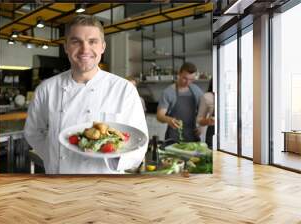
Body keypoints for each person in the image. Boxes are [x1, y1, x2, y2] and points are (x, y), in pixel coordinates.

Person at [24, 15, 148, 174]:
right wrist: (54, 157)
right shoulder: (47, 89)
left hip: (105, 188)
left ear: (103, 47)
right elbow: (33, 132)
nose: (84, 49)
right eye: (76, 41)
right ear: (66, 47)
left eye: (92, 41)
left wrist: (111, 153)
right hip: (60, 184)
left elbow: (140, 143)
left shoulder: (124, 89)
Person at [156, 62, 204, 143]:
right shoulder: (168, 92)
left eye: (191, 79)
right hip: (173, 138)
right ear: (179, 74)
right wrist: (169, 119)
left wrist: (202, 126)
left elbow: (204, 110)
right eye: (185, 78)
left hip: (193, 137)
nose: (187, 82)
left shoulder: (196, 90)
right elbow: (159, 116)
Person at [197, 80, 215, 148]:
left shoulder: (232, 94)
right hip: (212, 135)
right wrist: (208, 121)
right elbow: (199, 120)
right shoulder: (207, 96)